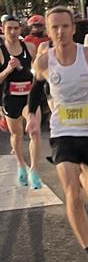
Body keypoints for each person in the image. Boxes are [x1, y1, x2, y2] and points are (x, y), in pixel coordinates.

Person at [26, 7, 88, 262]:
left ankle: (86, 174)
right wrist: (33, 118)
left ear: (74, 28)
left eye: (64, 26)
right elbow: (36, 91)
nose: (60, 32)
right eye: (54, 28)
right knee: (72, 193)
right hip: (63, 133)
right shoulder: (43, 61)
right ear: (48, 32)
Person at [0, 15, 41, 188]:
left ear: (20, 29)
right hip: (10, 99)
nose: (13, 31)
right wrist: (8, 69)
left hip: (29, 97)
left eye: (16, 28)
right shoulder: (0, 51)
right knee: (17, 135)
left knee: (35, 132)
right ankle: (21, 165)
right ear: (3, 29)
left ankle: (34, 171)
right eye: (9, 28)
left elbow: (39, 71)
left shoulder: (29, 47)